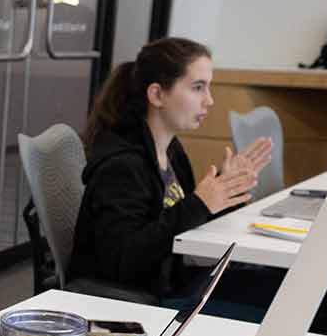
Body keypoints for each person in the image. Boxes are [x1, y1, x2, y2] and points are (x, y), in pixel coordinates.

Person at [67, 37, 273, 309]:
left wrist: (226, 190)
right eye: (198, 88)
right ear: (157, 95)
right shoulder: (122, 165)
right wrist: (200, 203)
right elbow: (123, 259)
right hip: (138, 302)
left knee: (283, 287)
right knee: (279, 302)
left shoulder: (171, 150)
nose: (209, 101)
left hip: (173, 282)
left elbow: (181, 223)